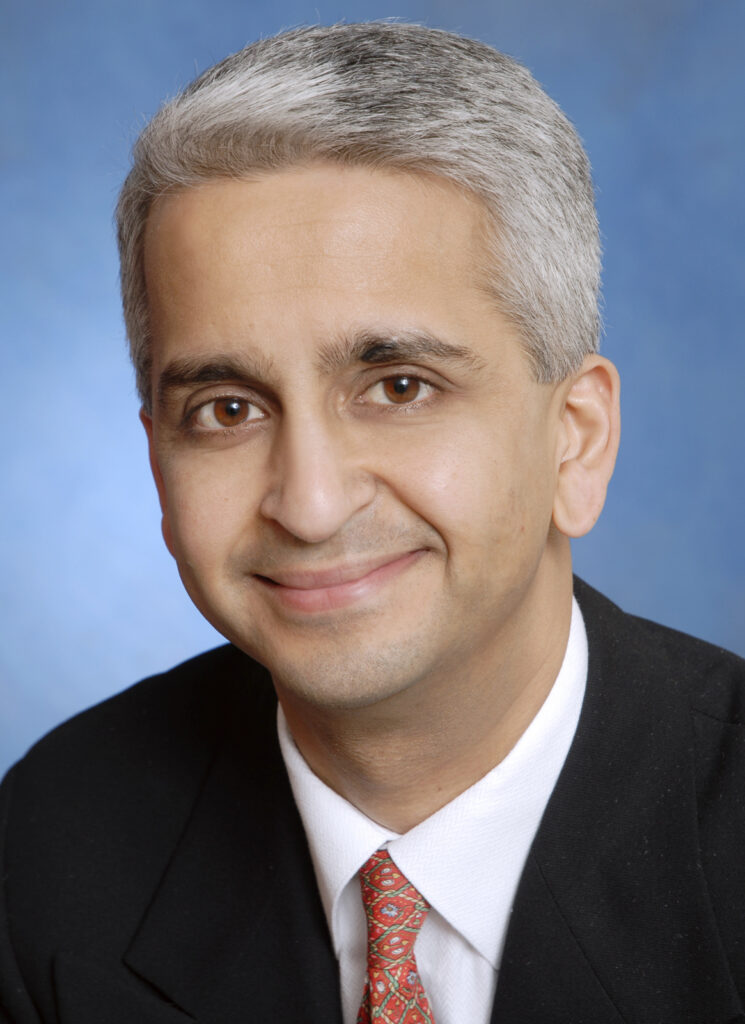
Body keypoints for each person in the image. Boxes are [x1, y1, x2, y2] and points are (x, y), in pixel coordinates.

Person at [1, 22, 743, 1024]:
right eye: (227, 409)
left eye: (398, 387)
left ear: (574, 441)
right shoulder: (48, 854)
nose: (309, 505)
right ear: (156, 462)